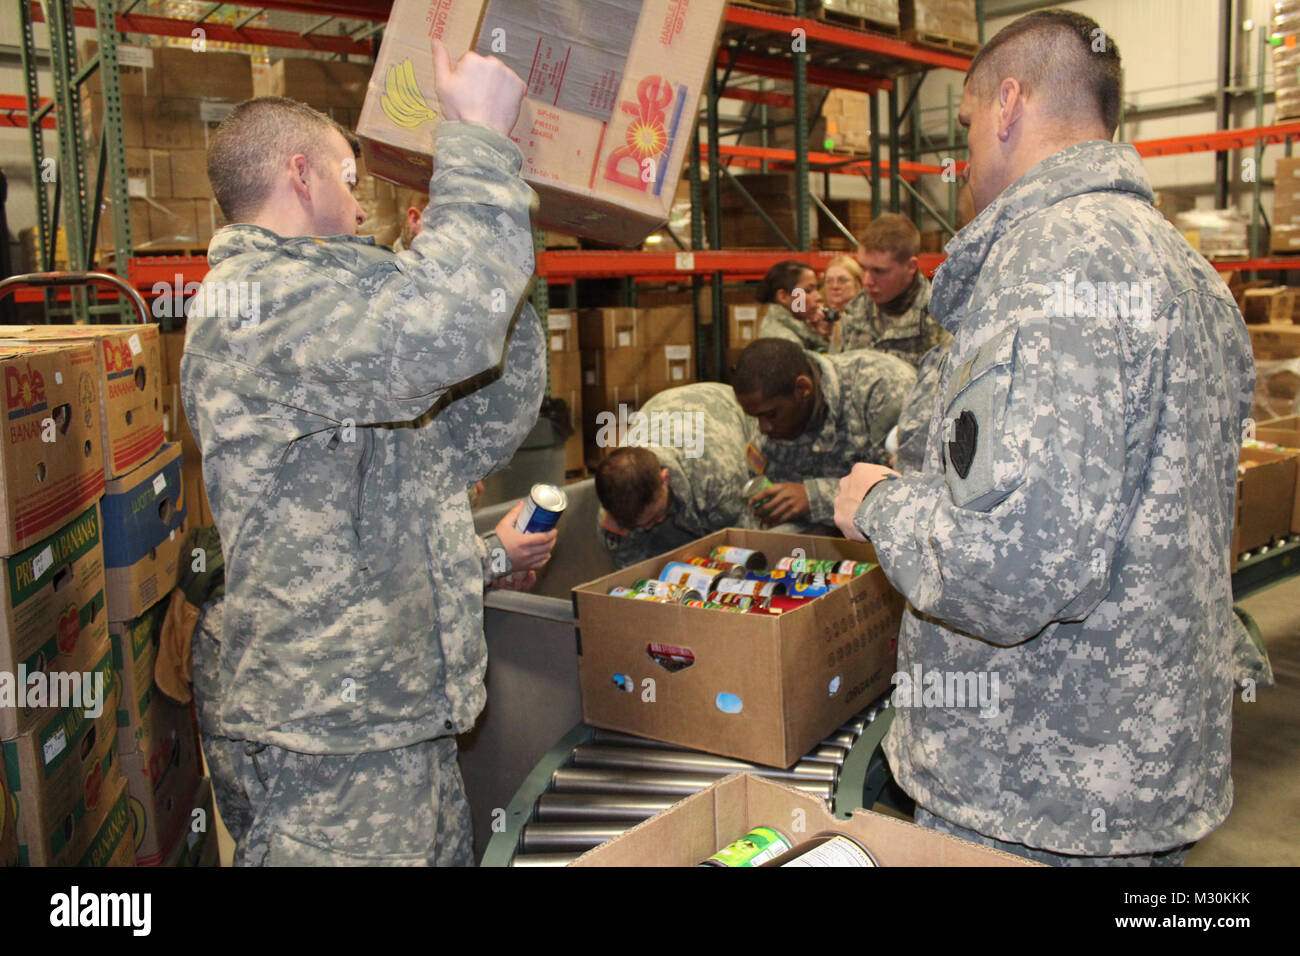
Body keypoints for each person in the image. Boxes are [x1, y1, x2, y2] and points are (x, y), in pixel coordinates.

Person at [834, 10, 1255, 865]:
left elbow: (1013, 567)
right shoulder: (1189, 273)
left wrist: (879, 504)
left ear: (1007, 105)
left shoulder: (1051, 263)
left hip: (1030, 795)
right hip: (1137, 779)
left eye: (964, 124)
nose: (962, 157)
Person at [182, 42, 543, 866]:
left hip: (403, 711)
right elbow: (445, 328)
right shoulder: (257, 304)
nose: (359, 203)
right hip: (332, 735)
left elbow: (477, 426)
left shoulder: (333, 305)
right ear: (302, 176)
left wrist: (503, 251)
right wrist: (479, 150)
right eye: (349, 179)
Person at [732, 338, 913, 532]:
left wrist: (816, 498)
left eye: (770, 415)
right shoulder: (770, 423)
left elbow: (910, 488)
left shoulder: (882, 388)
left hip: (893, 529)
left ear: (803, 389)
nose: (763, 428)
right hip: (827, 531)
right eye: (755, 417)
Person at [593, 383, 757, 568]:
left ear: (665, 478)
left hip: (727, 410)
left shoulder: (718, 478)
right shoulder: (614, 504)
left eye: (654, 518)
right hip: (662, 409)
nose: (647, 527)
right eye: (637, 525)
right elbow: (630, 568)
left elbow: (746, 542)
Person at [839, 213, 950, 365]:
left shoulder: (940, 317)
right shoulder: (855, 309)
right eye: (863, 268)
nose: (867, 281)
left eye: (879, 271)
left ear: (910, 267)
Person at [754, 260, 833, 352]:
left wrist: (818, 334)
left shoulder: (797, 328)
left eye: (817, 289)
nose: (819, 297)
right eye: (808, 291)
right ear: (783, 296)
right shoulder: (784, 341)